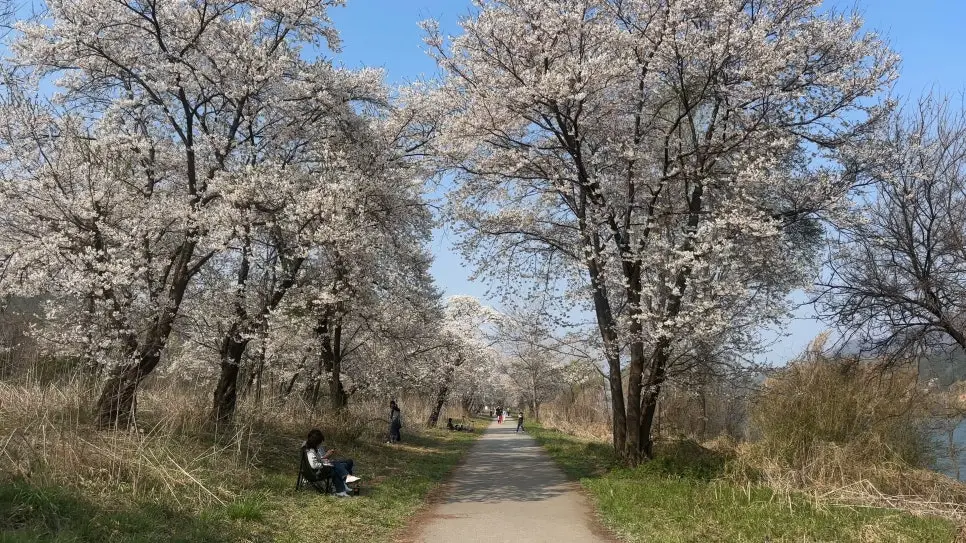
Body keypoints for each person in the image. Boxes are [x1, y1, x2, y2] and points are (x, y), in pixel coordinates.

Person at [304, 428, 355, 497]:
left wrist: (324, 461)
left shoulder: (312, 449)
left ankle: (341, 489)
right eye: (319, 443)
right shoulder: (310, 451)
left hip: (319, 468)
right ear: (315, 442)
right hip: (316, 472)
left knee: (337, 464)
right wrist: (324, 464)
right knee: (334, 466)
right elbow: (314, 465)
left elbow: (317, 460)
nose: (320, 444)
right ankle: (344, 483)